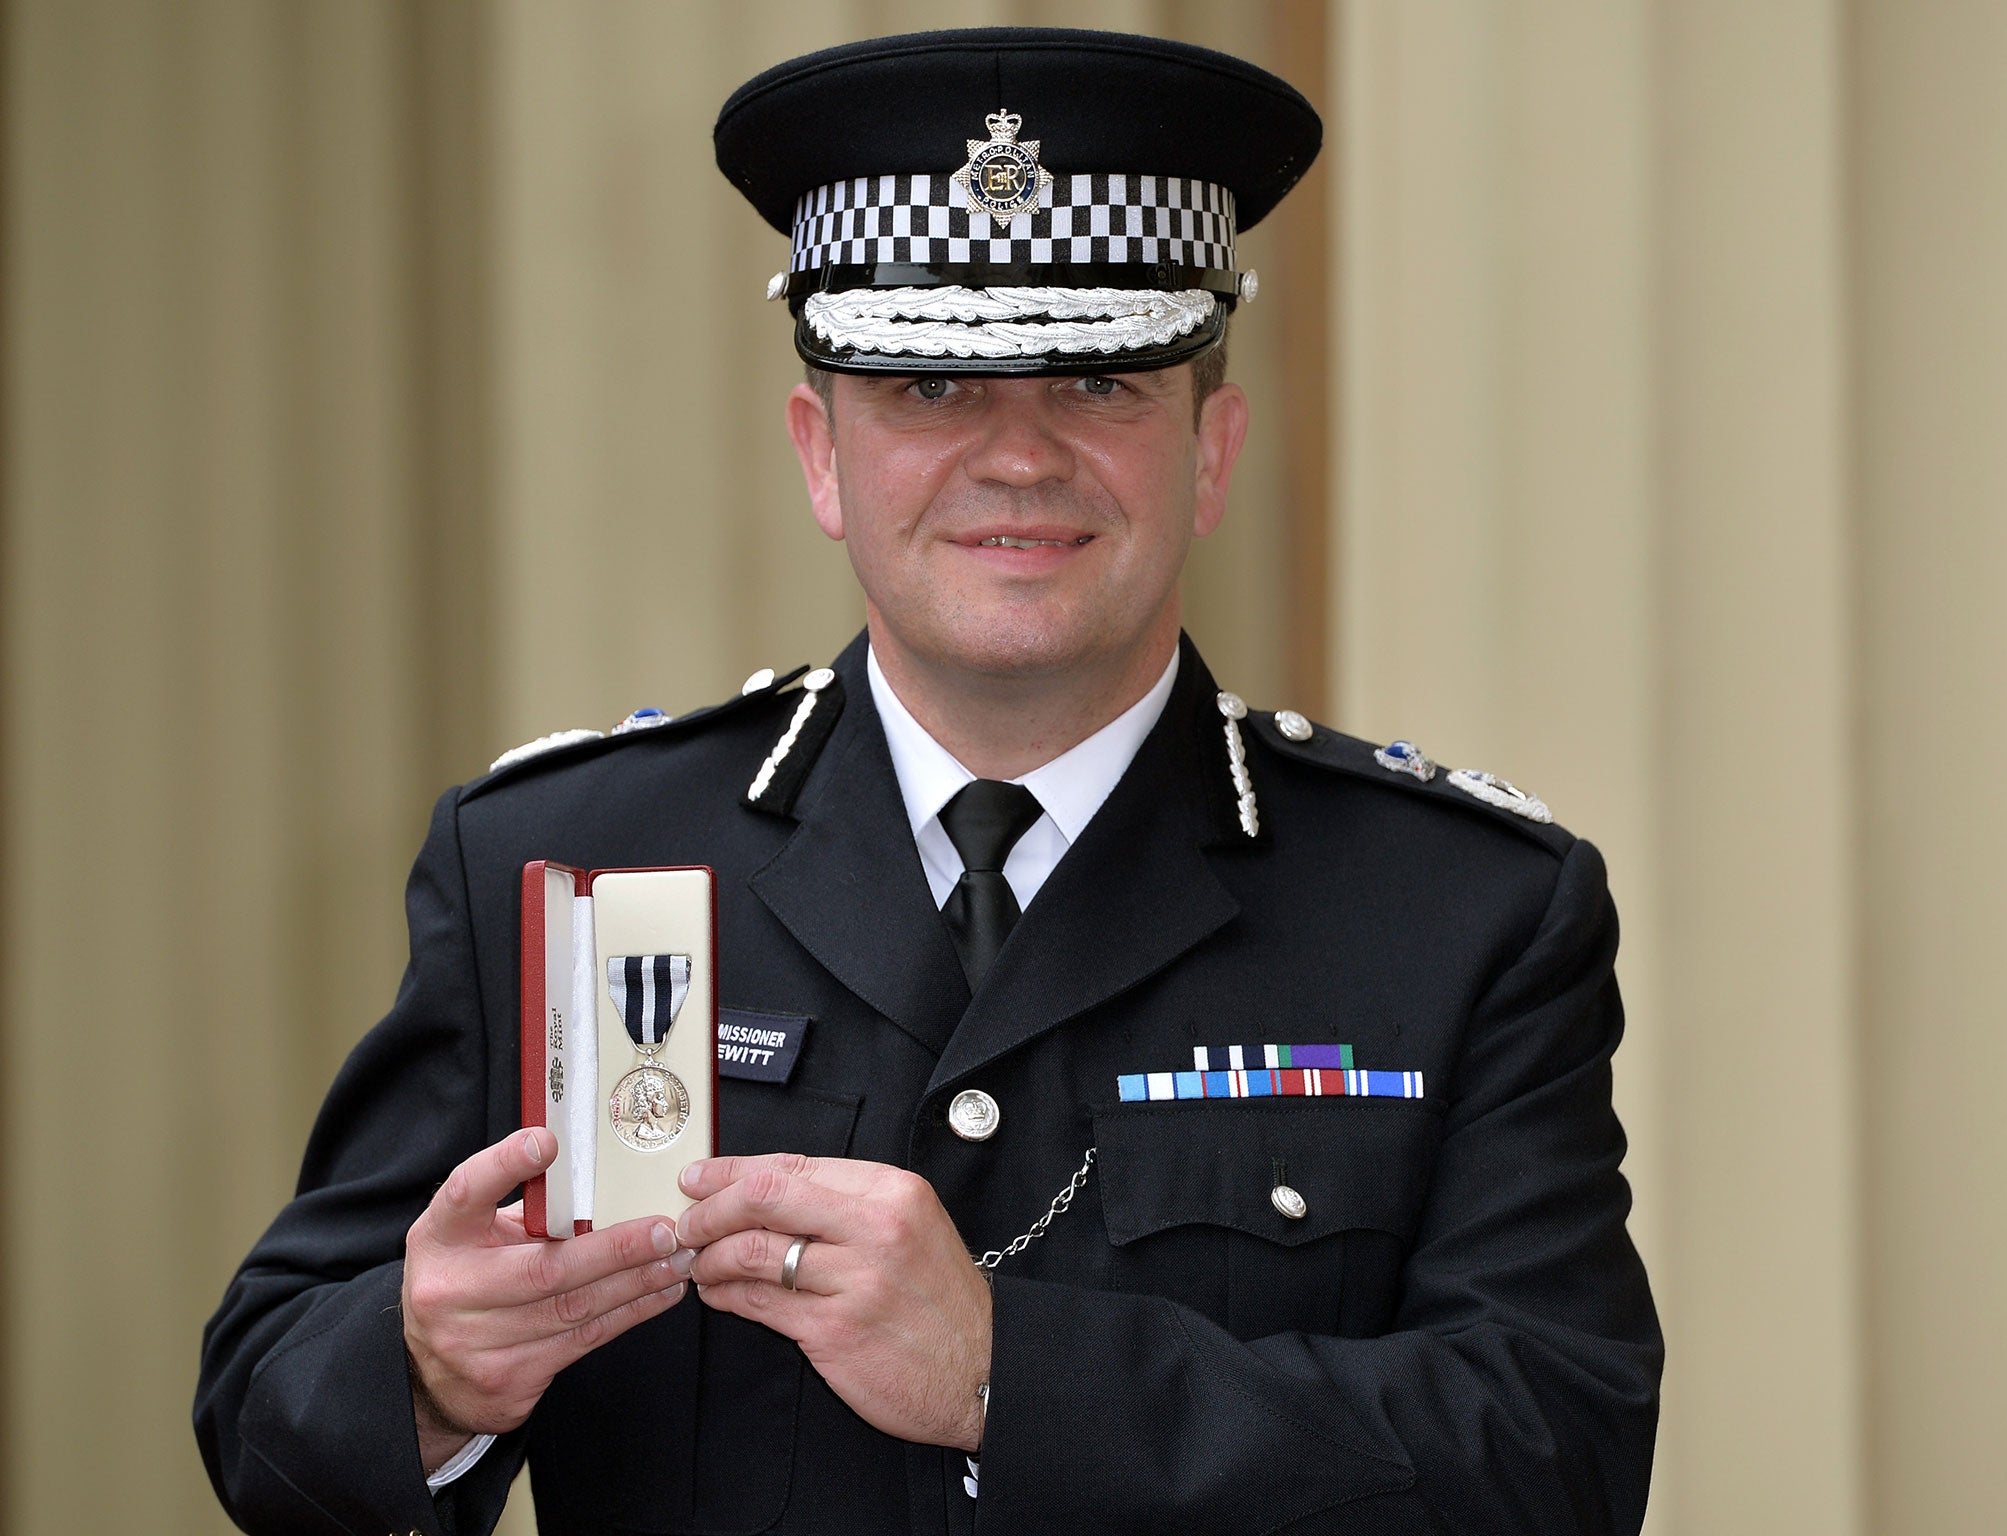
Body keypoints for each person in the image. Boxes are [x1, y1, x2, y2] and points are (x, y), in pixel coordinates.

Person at [196, 27, 1660, 1536]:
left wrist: (1004, 1378)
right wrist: (427, 1369)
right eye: (929, 387)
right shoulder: (557, 860)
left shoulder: (1463, 912)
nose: (1019, 457)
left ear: (1212, 450)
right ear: (819, 454)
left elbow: (1558, 1456)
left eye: (1100, 381)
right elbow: (265, 1413)